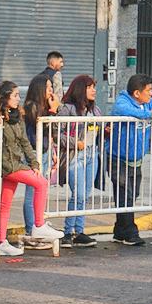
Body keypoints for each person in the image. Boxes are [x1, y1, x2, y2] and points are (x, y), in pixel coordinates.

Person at [0, 81, 64, 256]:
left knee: (5, 204)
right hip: (5, 164)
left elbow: (25, 142)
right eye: (15, 95)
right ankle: (38, 225)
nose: (19, 99)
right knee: (41, 184)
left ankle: (1, 242)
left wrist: (34, 164)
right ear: (5, 97)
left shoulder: (17, 115)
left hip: (15, 162)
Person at [107, 74, 152, 245]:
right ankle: (129, 232)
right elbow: (124, 111)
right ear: (137, 93)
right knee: (124, 195)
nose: (151, 94)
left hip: (137, 158)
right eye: (148, 90)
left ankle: (120, 231)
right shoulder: (123, 101)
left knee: (132, 194)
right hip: (119, 158)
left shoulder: (148, 103)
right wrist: (148, 115)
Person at [56, 75, 102, 247]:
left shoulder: (95, 110)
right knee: (79, 193)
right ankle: (68, 232)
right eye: (90, 87)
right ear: (81, 89)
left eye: (94, 87)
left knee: (85, 194)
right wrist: (76, 143)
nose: (94, 90)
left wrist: (105, 130)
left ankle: (79, 231)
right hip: (75, 155)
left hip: (92, 155)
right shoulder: (67, 109)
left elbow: (96, 131)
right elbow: (56, 134)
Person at [20, 74, 60, 248]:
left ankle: (38, 226)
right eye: (48, 87)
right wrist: (53, 110)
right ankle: (31, 231)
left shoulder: (43, 106)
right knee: (32, 193)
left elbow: (53, 131)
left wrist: (52, 151)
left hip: (44, 151)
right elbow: (41, 127)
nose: (51, 90)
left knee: (40, 191)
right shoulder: (32, 106)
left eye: (51, 87)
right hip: (33, 153)